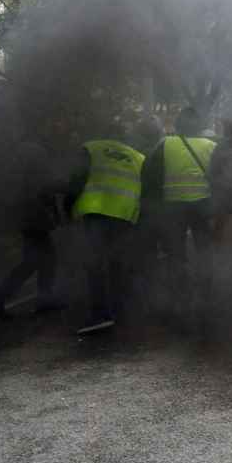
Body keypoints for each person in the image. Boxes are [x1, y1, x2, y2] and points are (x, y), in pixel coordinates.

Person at [69, 131, 146, 334]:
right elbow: (145, 189)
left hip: (96, 211)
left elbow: (77, 178)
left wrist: (68, 206)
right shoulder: (138, 157)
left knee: (94, 263)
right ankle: (122, 309)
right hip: (125, 215)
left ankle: (100, 314)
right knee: (118, 262)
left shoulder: (92, 148)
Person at [142, 107, 217, 306]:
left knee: (176, 253)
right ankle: (207, 293)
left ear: (179, 124)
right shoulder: (211, 145)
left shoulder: (165, 144)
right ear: (200, 125)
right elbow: (221, 176)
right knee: (205, 249)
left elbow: (150, 175)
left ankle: (180, 296)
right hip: (203, 204)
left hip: (173, 206)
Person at [0, 140, 68, 320]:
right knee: (34, 262)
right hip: (35, 222)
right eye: (41, 154)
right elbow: (48, 188)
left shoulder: (27, 172)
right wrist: (68, 185)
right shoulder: (35, 173)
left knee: (42, 261)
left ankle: (42, 300)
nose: (44, 157)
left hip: (32, 222)